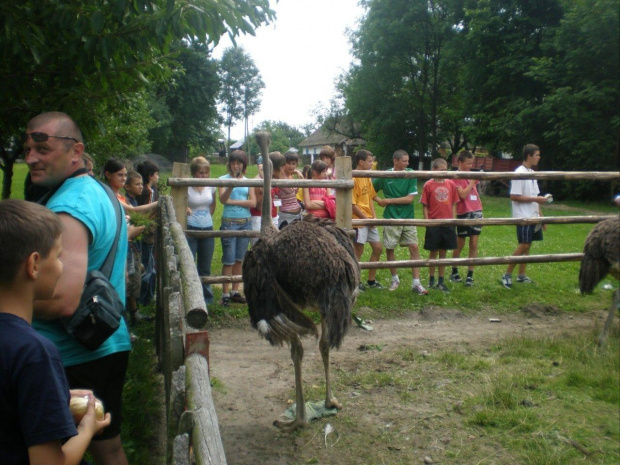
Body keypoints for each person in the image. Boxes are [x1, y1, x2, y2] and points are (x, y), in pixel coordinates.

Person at [23, 111, 131, 465]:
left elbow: (64, 299)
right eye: (27, 148)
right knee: (109, 449)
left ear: (76, 151)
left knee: (57, 455)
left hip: (71, 355)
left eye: (42, 147)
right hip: (105, 341)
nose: (31, 158)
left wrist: (9, 303)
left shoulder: (69, 206)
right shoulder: (98, 192)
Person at [0, 199, 112, 465]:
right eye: (58, 255)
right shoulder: (34, 353)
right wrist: (86, 428)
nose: (62, 265)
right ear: (34, 265)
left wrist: (59, 398)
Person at [373, 150, 428, 295]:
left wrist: (387, 200)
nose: (407, 163)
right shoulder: (384, 175)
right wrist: (379, 200)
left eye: (408, 161)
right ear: (395, 161)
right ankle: (394, 279)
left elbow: (409, 199)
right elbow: (369, 190)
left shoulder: (410, 174)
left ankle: (416, 283)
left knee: (414, 247)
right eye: (404, 161)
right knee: (390, 248)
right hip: (391, 217)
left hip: (408, 217)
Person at [502, 144, 549, 289]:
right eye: (537, 155)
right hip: (523, 216)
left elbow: (536, 196)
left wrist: (542, 217)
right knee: (524, 244)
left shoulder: (532, 173)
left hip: (533, 215)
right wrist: (535, 200)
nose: (539, 158)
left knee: (528, 246)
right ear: (529, 156)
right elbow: (514, 196)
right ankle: (507, 275)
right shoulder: (519, 173)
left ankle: (521, 276)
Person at [218, 149, 256, 306]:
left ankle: (235, 291)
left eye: (239, 163)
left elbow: (252, 203)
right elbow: (222, 199)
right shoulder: (222, 179)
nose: (236, 166)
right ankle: (225, 293)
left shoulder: (248, 181)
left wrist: (233, 202)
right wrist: (231, 186)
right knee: (229, 260)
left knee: (239, 260)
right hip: (229, 222)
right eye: (233, 163)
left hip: (245, 222)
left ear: (243, 165)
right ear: (229, 165)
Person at [420, 158, 459, 292]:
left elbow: (454, 203)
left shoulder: (451, 184)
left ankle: (441, 281)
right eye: (442, 170)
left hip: (447, 223)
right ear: (434, 170)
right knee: (433, 252)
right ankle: (431, 280)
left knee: (443, 253)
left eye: (445, 170)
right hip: (434, 223)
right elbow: (425, 206)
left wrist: (453, 220)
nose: (444, 172)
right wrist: (427, 223)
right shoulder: (428, 185)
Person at [186, 157, 217, 304]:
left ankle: (207, 299)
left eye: (206, 172)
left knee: (205, 266)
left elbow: (213, 204)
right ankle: (191, 297)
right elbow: (180, 202)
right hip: (191, 228)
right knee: (189, 264)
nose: (204, 176)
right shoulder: (187, 186)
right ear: (194, 173)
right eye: (200, 173)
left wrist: (206, 217)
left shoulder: (211, 186)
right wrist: (187, 210)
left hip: (208, 228)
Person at [450, 151, 483, 287]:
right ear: (460, 162)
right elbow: (462, 195)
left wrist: (481, 209)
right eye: (468, 163)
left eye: (472, 163)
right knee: (460, 244)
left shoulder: (471, 175)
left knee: (474, 244)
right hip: (463, 212)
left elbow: (476, 193)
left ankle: (470, 274)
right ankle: (454, 270)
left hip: (476, 211)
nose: (470, 166)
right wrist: (473, 181)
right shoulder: (455, 177)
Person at [352, 149, 383, 290]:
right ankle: (355, 282)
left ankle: (371, 280)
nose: (372, 164)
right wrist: (366, 219)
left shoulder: (367, 176)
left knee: (378, 248)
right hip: (358, 220)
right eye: (370, 161)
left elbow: (370, 197)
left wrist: (374, 217)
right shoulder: (353, 178)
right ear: (361, 162)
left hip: (369, 218)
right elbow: (352, 205)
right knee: (358, 251)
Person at [135, 160, 160, 306]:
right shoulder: (148, 191)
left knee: (146, 263)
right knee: (147, 265)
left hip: (142, 232)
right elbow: (146, 212)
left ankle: (143, 298)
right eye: (156, 174)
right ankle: (145, 298)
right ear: (150, 176)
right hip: (146, 233)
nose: (158, 177)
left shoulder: (144, 189)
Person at [250, 153, 284, 243]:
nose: (282, 169)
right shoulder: (258, 181)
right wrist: (266, 188)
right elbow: (259, 206)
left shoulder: (274, 179)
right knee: (258, 246)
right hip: (260, 218)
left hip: (273, 216)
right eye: (280, 167)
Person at [278, 151, 304, 229]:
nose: (291, 166)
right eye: (288, 163)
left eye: (293, 164)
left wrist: (297, 171)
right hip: (286, 216)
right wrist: (297, 172)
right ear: (283, 163)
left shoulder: (290, 176)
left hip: (297, 215)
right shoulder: (281, 175)